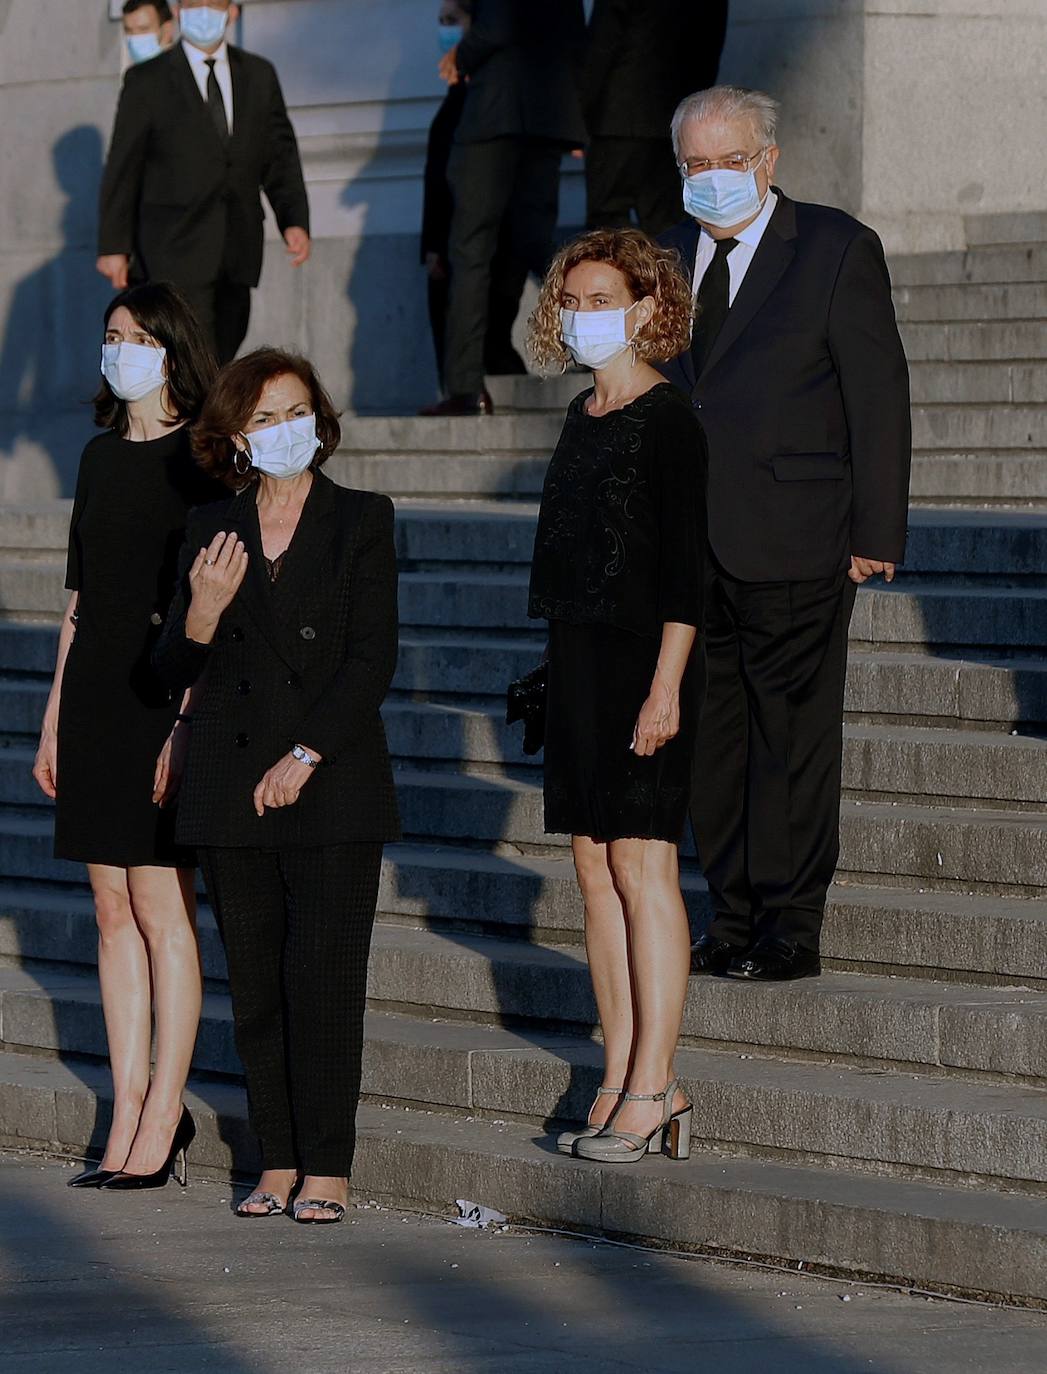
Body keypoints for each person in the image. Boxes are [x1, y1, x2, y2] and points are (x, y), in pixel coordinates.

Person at [659, 86, 911, 982]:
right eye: (696, 165)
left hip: (799, 532)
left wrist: (876, 526)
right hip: (689, 547)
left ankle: (789, 924)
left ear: (768, 161)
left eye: (729, 161)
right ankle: (728, 915)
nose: (712, 179)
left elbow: (876, 396)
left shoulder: (836, 247)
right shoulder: (662, 255)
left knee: (791, 739)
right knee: (713, 742)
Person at [154, 349, 400, 1223]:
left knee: (325, 980)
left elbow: (372, 658)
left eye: (296, 411)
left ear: (321, 421)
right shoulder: (209, 529)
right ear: (234, 438)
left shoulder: (363, 519)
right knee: (256, 985)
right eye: (263, 419)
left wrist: (304, 754)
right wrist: (202, 612)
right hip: (228, 780)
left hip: (331, 780)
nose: (284, 429)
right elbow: (171, 667)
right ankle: (277, 1159)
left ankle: (327, 1164)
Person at [32, 283, 221, 1190]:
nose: (124, 350)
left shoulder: (204, 462)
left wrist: (182, 725)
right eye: (113, 335)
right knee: (111, 911)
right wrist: (52, 715)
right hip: (98, 692)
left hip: (164, 688)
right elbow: (77, 601)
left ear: (173, 351)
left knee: (163, 908)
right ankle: (127, 1104)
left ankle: (164, 1109)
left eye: (141, 336)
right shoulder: (99, 460)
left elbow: (209, 609)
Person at [527, 229, 707, 1163]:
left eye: (602, 299)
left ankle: (657, 1083)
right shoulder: (580, 413)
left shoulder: (668, 420)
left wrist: (665, 687)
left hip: (648, 663)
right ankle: (619, 1072)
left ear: (645, 308)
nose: (582, 314)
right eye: (572, 298)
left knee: (644, 869)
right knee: (593, 870)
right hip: (579, 663)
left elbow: (685, 572)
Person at [97, 0, 311, 365]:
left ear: (232, 11)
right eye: (193, 3)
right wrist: (114, 245)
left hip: (237, 246)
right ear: (179, 12)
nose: (203, 11)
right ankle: (199, 421)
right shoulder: (148, 79)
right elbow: (123, 166)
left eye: (212, 3)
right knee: (192, 355)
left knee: (225, 345)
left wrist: (294, 219)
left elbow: (280, 154)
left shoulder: (258, 75)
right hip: (173, 246)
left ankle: (205, 417)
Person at [421, 0, 587, 417]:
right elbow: (575, 32)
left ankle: (465, 387)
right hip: (546, 116)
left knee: (470, 250)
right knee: (536, 243)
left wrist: (460, 54)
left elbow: (497, 22)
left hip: (494, 115)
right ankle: (594, 345)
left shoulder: (481, 43)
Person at [421, 0, 527, 396]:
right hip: (449, 237)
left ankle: (467, 392)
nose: (445, 30)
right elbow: (434, 178)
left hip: (475, 234)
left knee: (488, 330)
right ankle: (460, 390)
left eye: (453, 21)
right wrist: (431, 245)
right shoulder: (456, 95)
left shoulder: (484, 99)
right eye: (441, 22)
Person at [581, 0, 727, 237]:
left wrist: (582, 114)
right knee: (667, 220)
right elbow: (711, 46)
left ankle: (625, 274)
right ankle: (669, 273)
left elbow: (601, 43)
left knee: (608, 220)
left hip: (617, 117)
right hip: (672, 116)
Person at [122, 0, 176, 66]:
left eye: (143, 29)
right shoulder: (131, 74)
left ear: (167, 29)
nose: (135, 37)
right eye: (128, 30)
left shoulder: (185, 71)